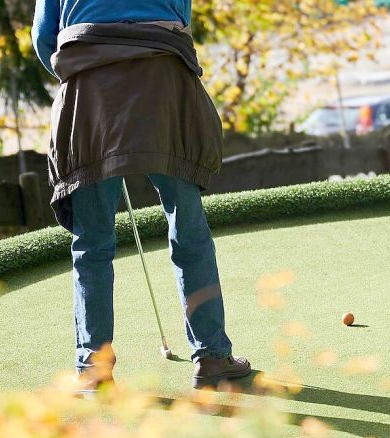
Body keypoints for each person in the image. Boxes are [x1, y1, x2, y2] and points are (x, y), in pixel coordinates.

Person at [32, 0, 251, 390]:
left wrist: (94, 67)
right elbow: (182, 16)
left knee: (92, 241)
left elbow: (43, 38)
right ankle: (213, 356)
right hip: (163, 79)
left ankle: (93, 370)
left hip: (90, 86)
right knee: (188, 226)